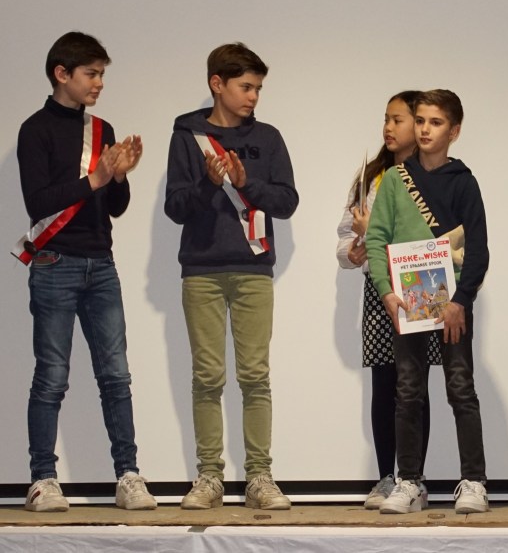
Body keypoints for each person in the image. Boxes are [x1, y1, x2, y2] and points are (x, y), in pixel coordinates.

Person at [15, 31, 157, 513]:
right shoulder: (34, 130)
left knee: (116, 375)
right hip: (54, 262)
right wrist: (94, 178)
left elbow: (114, 206)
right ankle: (42, 479)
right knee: (52, 377)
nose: (99, 83)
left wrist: (118, 178)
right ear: (62, 73)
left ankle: (128, 475)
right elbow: (38, 202)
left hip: (102, 263)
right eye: (91, 74)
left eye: (101, 75)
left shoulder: (102, 129)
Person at [165, 42, 299, 510]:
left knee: (255, 375)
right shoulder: (188, 135)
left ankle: (259, 476)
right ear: (216, 84)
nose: (253, 96)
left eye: (258, 88)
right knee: (207, 376)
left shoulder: (269, 137)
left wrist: (245, 183)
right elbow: (175, 207)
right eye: (246, 87)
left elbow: (287, 202)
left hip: (253, 269)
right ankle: (209, 477)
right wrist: (208, 182)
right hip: (200, 269)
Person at [364, 89, 490, 515]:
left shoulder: (463, 181)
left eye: (435, 123)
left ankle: (474, 481)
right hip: (408, 303)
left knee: (461, 388)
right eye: (419, 120)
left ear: (454, 131)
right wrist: (386, 291)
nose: (424, 130)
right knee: (407, 391)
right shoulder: (395, 179)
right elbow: (377, 238)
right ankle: (410, 482)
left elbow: (479, 250)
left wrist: (460, 300)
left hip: (452, 304)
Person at [336, 91, 443, 509]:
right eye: (386, 119)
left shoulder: (432, 175)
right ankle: (386, 477)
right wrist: (355, 249)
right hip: (379, 291)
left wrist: (383, 236)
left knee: (415, 386)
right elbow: (345, 240)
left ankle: (414, 479)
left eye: (398, 119)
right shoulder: (373, 177)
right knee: (384, 385)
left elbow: (442, 237)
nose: (388, 128)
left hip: (420, 287)